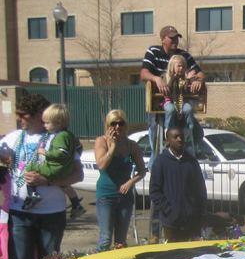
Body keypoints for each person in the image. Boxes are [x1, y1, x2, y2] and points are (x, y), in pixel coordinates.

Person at [0, 93, 84, 259]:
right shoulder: (14, 138)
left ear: (39, 115)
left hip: (51, 215)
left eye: (22, 114)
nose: (17, 118)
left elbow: (78, 174)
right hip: (19, 214)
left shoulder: (60, 138)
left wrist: (47, 181)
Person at [141, 26, 205, 154]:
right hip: (160, 104)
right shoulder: (153, 52)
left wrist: (198, 80)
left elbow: (200, 74)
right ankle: (157, 164)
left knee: (197, 133)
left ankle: (183, 152)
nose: (175, 41)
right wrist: (157, 79)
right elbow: (144, 73)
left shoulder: (184, 55)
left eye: (176, 38)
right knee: (156, 134)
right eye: (171, 38)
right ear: (162, 39)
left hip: (181, 103)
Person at [94, 110, 147, 251]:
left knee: (121, 240)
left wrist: (130, 182)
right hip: (106, 196)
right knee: (105, 238)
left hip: (125, 197)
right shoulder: (102, 141)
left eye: (121, 123)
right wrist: (113, 146)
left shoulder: (132, 146)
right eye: (114, 124)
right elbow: (102, 165)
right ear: (108, 125)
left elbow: (140, 169)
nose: (118, 127)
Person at [24, 103, 86, 219]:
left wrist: (45, 153)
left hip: (56, 168)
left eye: (47, 123)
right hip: (65, 170)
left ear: (58, 123)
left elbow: (60, 153)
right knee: (65, 185)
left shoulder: (60, 136)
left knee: (30, 167)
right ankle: (76, 205)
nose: (45, 125)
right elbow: (78, 147)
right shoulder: (70, 135)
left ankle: (33, 195)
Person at [149, 127, 207, 242]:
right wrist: (168, 210)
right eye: (175, 137)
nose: (179, 139)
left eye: (181, 136)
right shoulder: (161, 162)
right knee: (174, 257)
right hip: (171, 222)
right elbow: (154, 191)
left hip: (192, 220)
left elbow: (200, 189)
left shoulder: (191, 161)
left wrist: (202, 214)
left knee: (194, 256)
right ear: (168, 141)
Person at [164, 54, 204, 151]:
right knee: (170, 110)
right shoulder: (166, 77)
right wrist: (173, 78)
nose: (181, 68)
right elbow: (168, 89)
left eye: (183, 66)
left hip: (182, 102)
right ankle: (168, 130)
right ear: (172, 67)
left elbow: (186, 90)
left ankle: (187, 131)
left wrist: (187, 79)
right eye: (178, 66)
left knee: (188, 109)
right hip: (170, 101)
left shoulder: (184, 78)